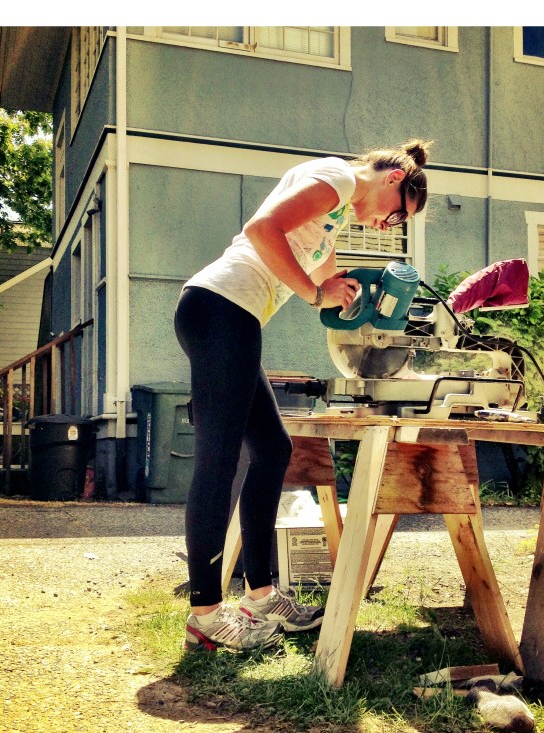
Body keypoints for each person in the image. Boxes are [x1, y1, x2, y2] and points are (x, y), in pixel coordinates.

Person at [174, 139, 432, 651]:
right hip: (220, 308)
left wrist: (346, 290)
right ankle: (204, 615)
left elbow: (322, 279)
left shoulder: (332, 209)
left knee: (273, 451)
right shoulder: (336, 180)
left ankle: (261, 596)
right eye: (398, 216)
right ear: (394, 178)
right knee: (219, 459)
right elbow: (260, 232)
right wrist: (318, 293)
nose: (389, 226)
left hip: (234, 315)